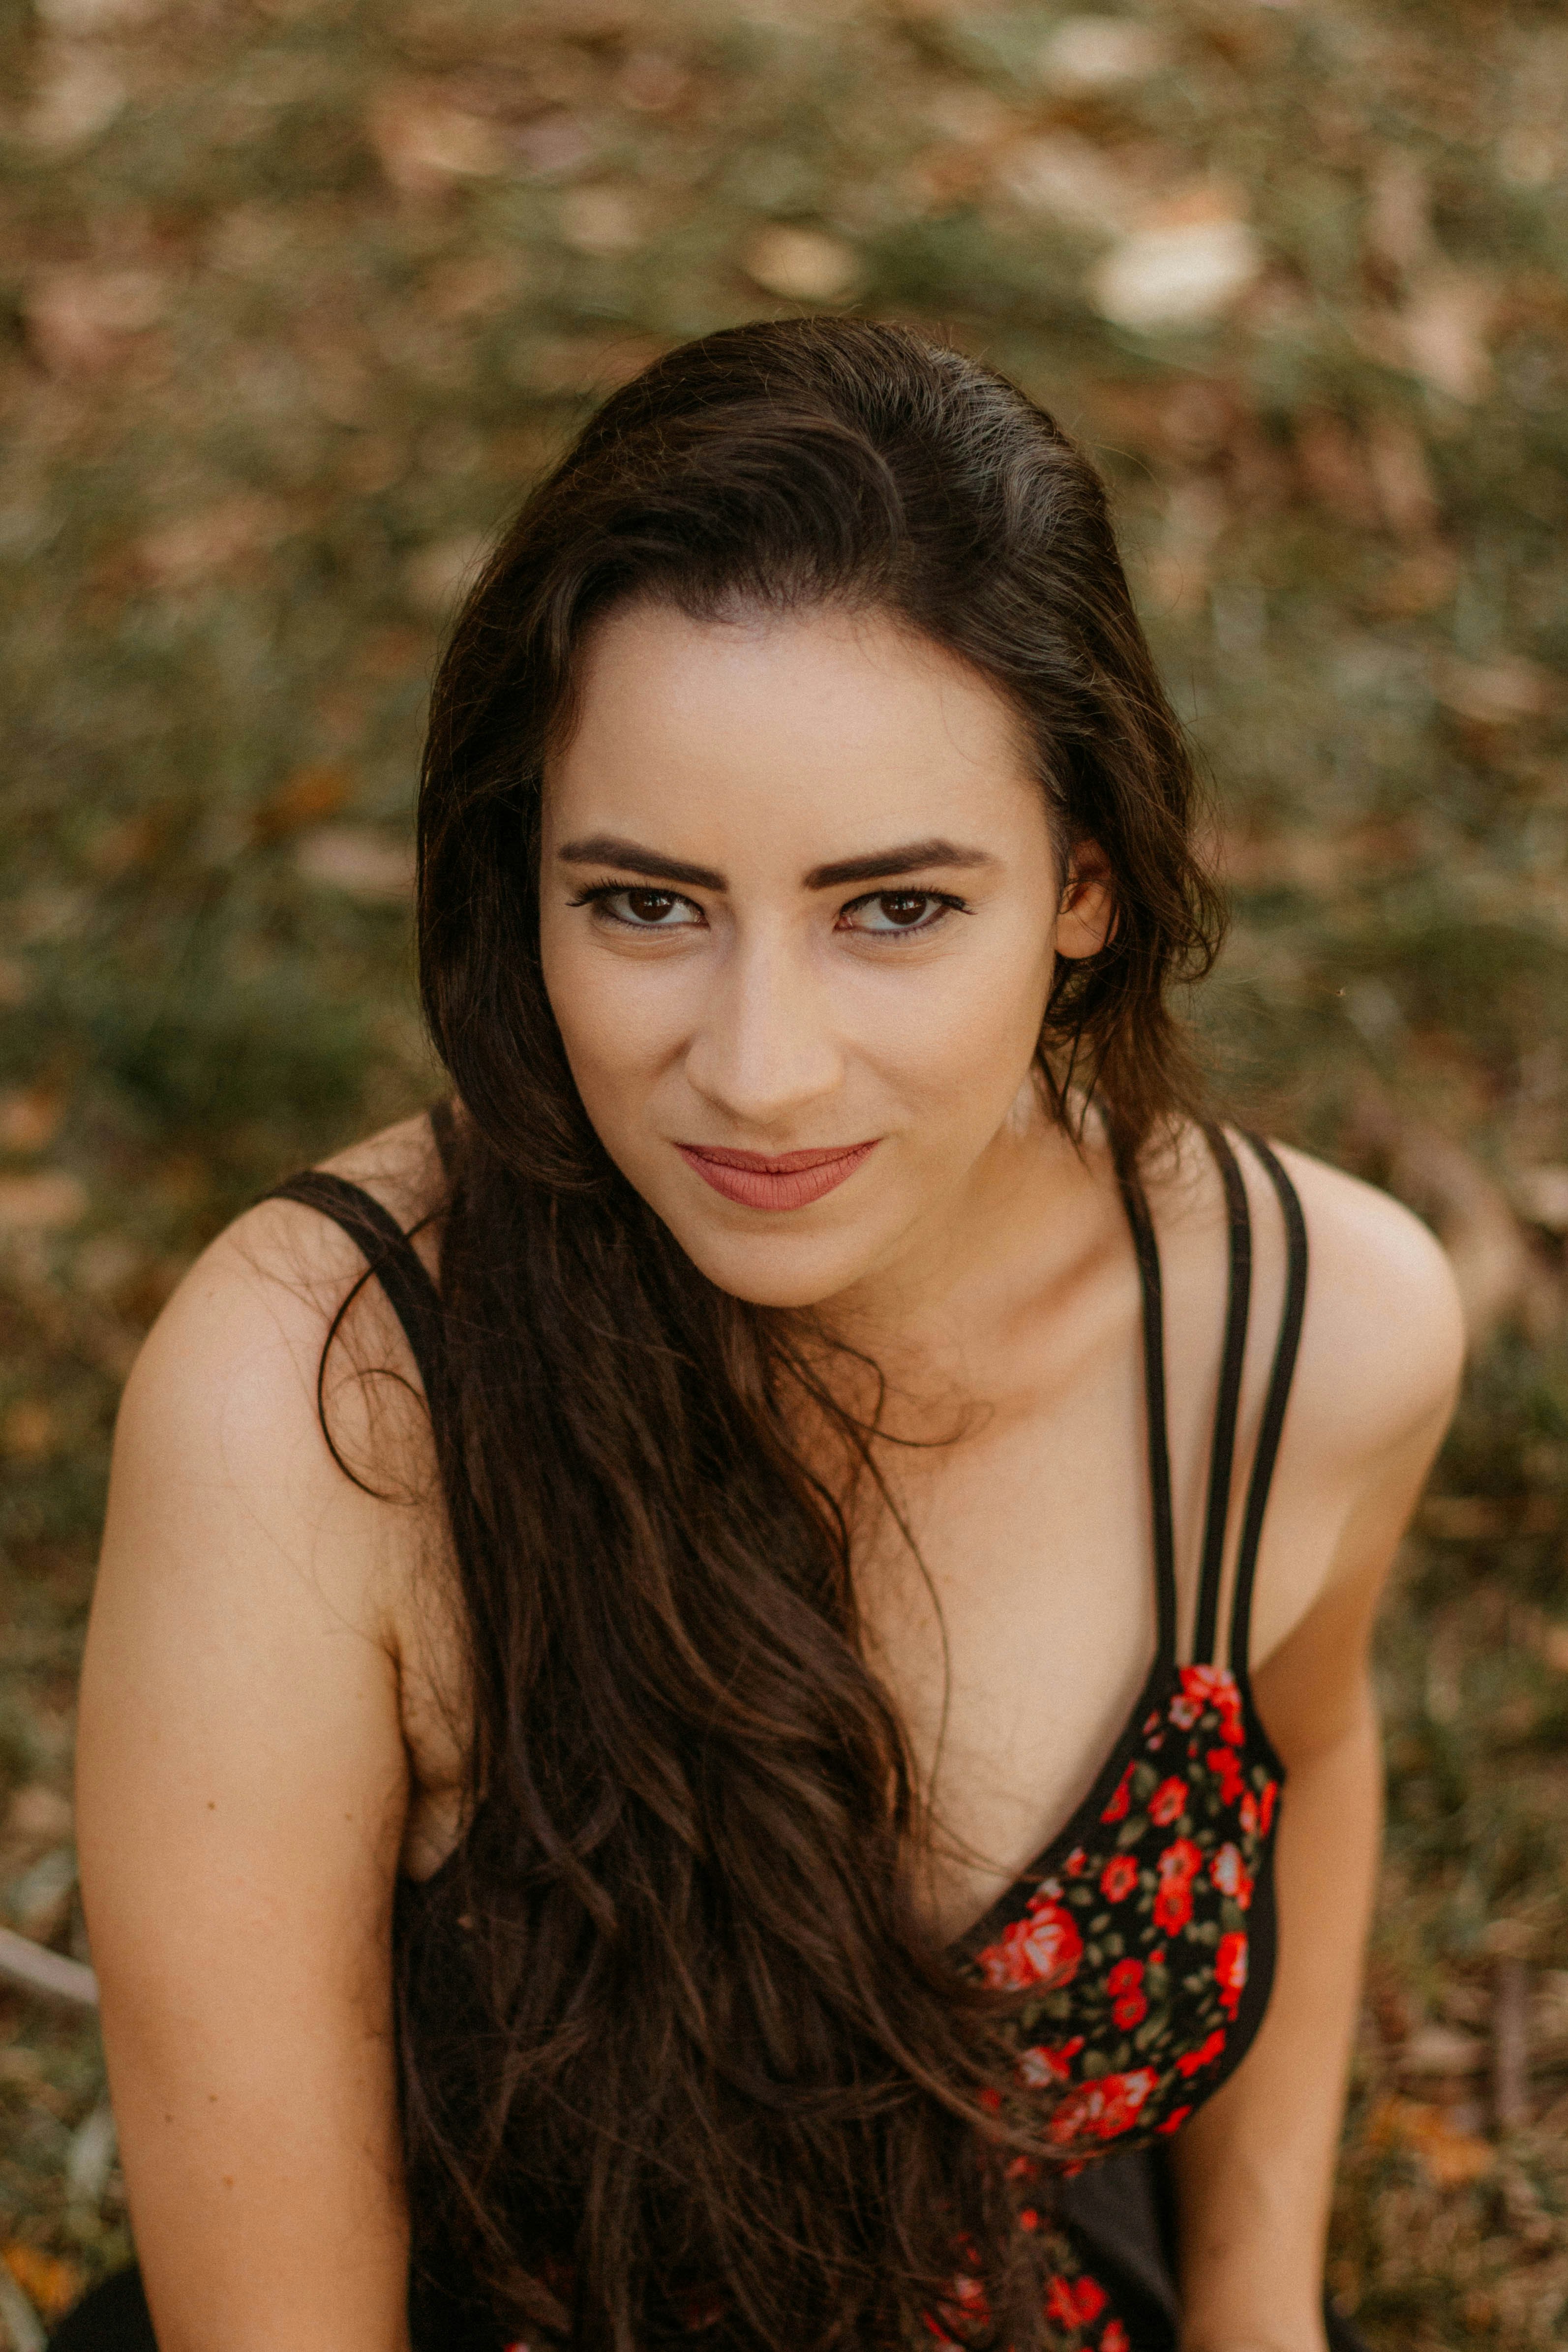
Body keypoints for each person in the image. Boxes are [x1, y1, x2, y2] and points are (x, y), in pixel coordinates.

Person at [65, 318, 1463, 2352]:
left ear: (1081, 885)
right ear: (517, 880)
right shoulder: (314, 1402)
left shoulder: (1302, 1336)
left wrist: (1260, 2313)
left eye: (890, 907)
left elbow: (1303, 1753)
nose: (759, 1067)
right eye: (642, 903)